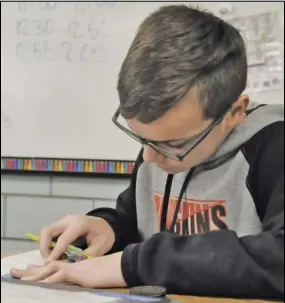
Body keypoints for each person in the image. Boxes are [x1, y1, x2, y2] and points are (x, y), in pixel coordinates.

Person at [11, 4, 284, 299]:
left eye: (175, 144)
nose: (149, 158)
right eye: (141, 139)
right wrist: (108, 227)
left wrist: (134, 264)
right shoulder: (160, 147)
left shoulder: (273, 147)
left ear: (234, 112)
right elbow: (138, 224)